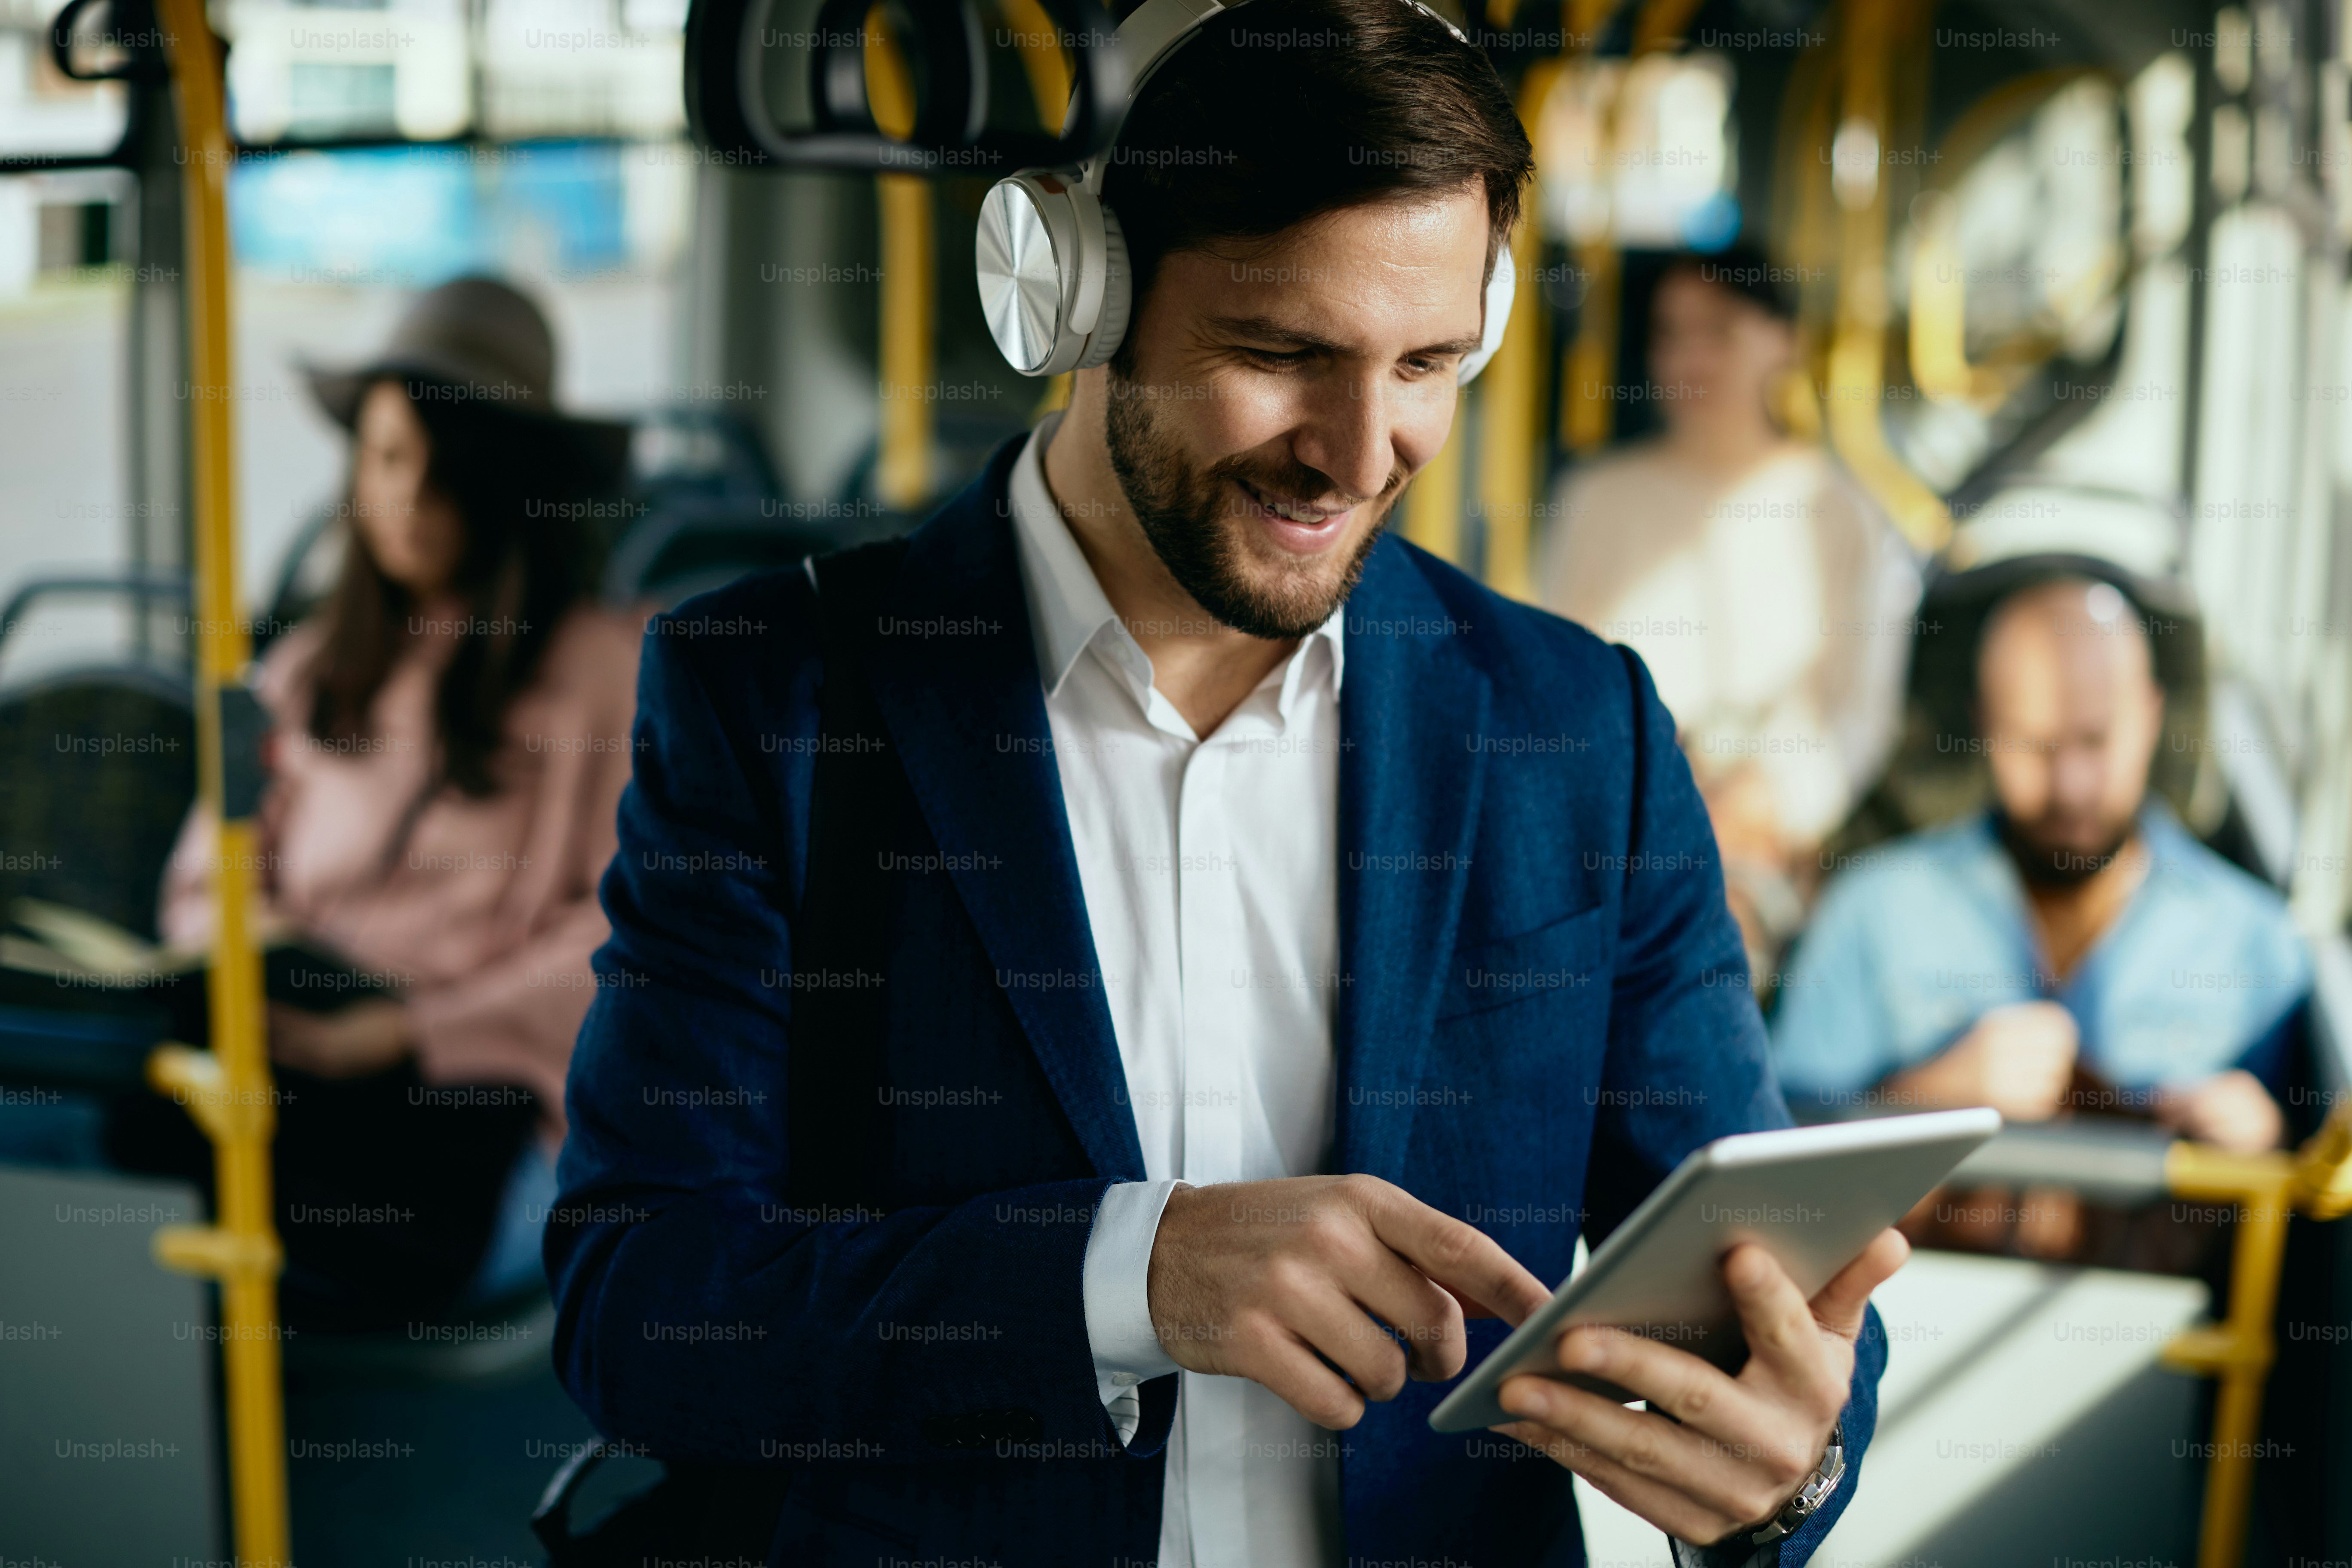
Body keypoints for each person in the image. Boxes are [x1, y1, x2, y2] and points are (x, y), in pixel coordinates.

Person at [548, 3, 1900, 1564]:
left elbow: (1749, 1268)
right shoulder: (778, 696)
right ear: (1075, 294)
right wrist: (1127, 1274)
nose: (1358, 450)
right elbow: (643, 1302)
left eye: (1428, 362)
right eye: (1279, 355)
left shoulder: (1572, 727)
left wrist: (1788, 1461)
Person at [128, 276, 648, 1330]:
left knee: (175, 1190)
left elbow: (618, 937)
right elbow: (205, 870)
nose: (403, 502)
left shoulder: (608, 671)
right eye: (382, 460)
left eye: (440, 474)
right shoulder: (310, 667)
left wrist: (408, 1027)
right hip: (284, 1058)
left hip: (472, 1101)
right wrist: (249, 945)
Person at [1771, 575, 2310, 1251]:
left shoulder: (2259, 944)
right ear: (1983, 725)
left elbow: (2303, 1229)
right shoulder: (1870, 910)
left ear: (2151, 717)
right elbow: (1776, 1158)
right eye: (2034, 744)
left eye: (2096, 741)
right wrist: (1929, 1092)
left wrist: (2262, 1144)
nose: (2071, 785)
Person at [1538, 248, 1920, 977]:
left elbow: (1860, 716)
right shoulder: (1596, 500)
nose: (1689, 356)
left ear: (1784, 341)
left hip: (1769, 856)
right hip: (1615, 833)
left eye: (1717, 331)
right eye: (1671, 333)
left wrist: (1770, 799)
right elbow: (1555, 682)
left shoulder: (1844, 515)